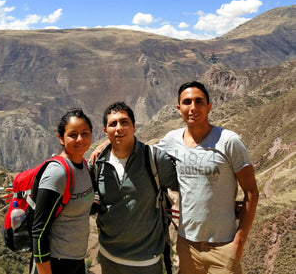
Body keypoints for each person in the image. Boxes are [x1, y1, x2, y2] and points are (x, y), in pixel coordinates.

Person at [156, 81, 259, 274]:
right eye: (187, 102)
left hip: (223, 247)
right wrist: (107, 146)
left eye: (199, 101)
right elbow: (141, 153)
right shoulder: (172, 140)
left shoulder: (229, 141)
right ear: (179, 108)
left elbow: (252, 192)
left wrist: (238, 244)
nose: (193, 107)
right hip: (187, 245)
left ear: (208, 106)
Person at [91, 101, 178, 274]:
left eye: (124, 122)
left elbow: (186, 187)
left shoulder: (154, 158)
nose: (119, 128)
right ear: (105, 131)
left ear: (134, 127)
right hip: (108, 258)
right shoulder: (97, 164)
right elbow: (88, 199)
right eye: (113, 124)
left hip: (146, 261)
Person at [31, 108, 95, 274]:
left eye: (85, 133)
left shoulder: (84, 167)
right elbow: (39, 231)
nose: (80, 139)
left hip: (76, 260)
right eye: (72, 134)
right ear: (61, 138)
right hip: (56, 263)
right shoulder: (57, 173)